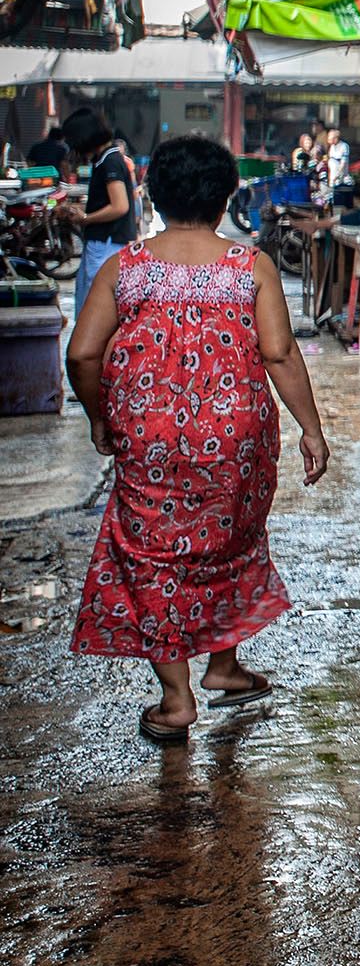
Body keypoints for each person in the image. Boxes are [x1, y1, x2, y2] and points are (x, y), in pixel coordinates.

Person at [65, 136, 330, 745]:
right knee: (229, 542)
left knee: (151, 555)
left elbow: (82, 353)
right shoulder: (250, 267)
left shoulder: (124, 268)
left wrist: (99, 417)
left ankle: (179, 696)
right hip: (237, 440)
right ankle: (224, 664)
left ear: (152, 195)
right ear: (225, 198)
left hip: (148, 438)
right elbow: (280, 352)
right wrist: (311, 429)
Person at [58, 108, 140, 313]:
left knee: (95, 306)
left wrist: (86, 218)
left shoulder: (109, 161)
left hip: (106, 243)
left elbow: (120, 206)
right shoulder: (105, 159)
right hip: (104, 242)